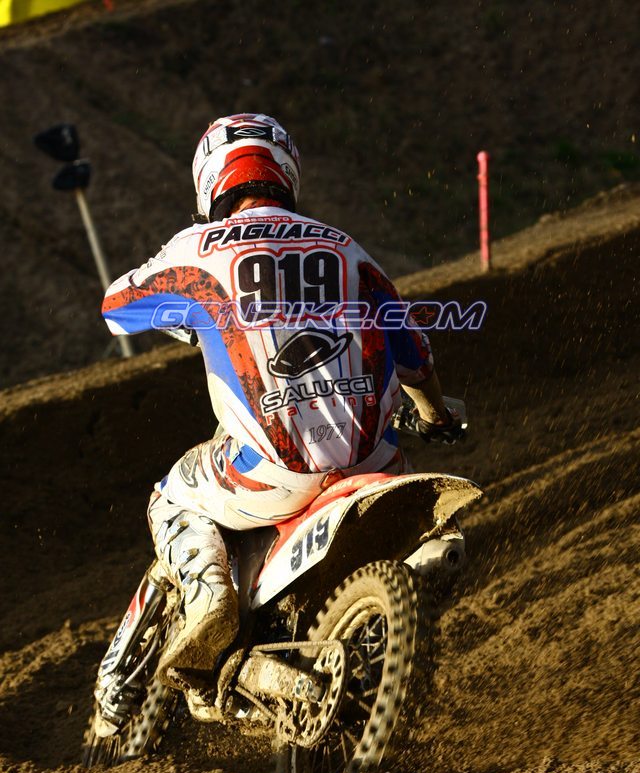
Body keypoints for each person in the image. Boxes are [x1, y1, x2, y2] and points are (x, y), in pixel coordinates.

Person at [102, 113, 458, 713]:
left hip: (273, 473)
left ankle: (212, 599)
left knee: (171, 497)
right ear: (287, 171)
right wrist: (438, 415)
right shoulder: (346, 248)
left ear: (210, 180)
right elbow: (414, 354)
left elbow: (117, 306)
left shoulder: (199, 251)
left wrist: (194, 313)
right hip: (375, 463)